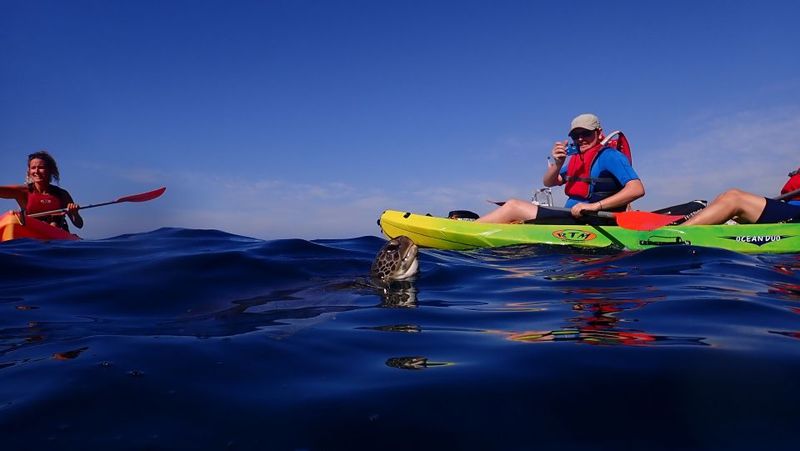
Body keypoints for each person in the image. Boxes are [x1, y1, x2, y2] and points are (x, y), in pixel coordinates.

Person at [476, 113, 645, 224]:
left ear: (599, 132)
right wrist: (557, 164)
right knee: (513, 217)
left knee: (513, 206)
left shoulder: (610, 156)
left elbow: (636, 189)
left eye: (586, 134)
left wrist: (595, 206)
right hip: (572, 217)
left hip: (594, 219)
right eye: (575, 135)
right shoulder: (577, 158)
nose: (580, 139)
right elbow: (549, 182)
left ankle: (456, 232)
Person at [0, 150, 83, 231]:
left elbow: (79, 224)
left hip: (57, 239)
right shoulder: (23, 191)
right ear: (29, 172)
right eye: (33, 168)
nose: (36, 171)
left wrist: (75, 213)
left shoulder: (62, 194)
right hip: (33, 238)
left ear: (50, 170)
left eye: (41, 167)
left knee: (54, 224)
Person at [682, 169, 800, 225]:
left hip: (796, 216)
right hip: (790, 208)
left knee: (734, 198)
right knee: (723, 201)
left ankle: (674, 235)